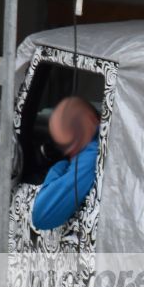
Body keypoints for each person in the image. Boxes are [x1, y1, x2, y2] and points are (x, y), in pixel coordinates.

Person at [32, 96, 100, 230]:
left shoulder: (93, 153)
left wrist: (59, 166)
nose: (72, 154)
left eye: (73, 143)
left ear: (91, 121)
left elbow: (42, 216)